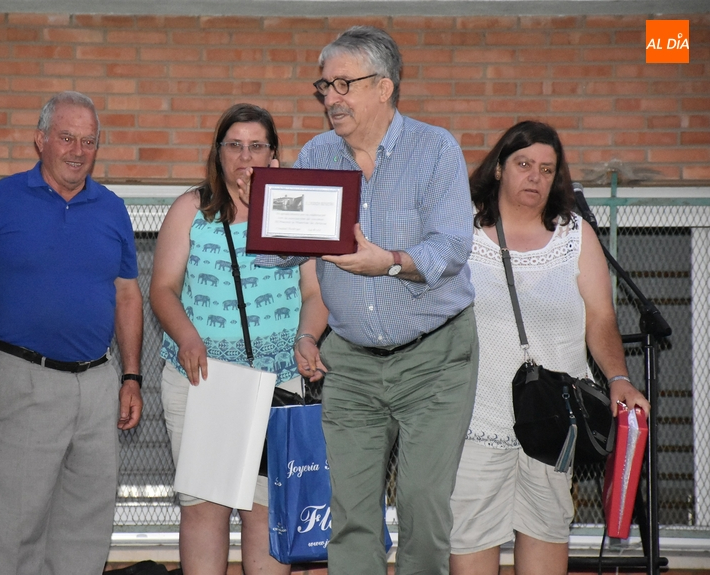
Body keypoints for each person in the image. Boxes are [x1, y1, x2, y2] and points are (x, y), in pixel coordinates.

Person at [250, 26, 478, 575]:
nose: (331, 98)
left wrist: (392, 261)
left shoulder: (435, 149)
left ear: (384, 86)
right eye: (324, 86)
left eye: (343, 84)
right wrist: (266, 214)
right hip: (349, 364)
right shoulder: (317, 154)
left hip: (435, 360)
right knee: (350, 515)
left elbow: (452, 247)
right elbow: (288, 251)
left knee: (423, 504)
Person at [448, 121, 651, 575]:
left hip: (555, 427)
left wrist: (618, 377)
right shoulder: (461, 230)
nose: (534, 177)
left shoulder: (575, 235)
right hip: (476, 423)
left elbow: (601, 318)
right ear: (499, 168)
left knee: (545, 544)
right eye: (523, 164)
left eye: (546, 169)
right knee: (470, 550)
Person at [150, 103, 328, 575]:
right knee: (205, 509)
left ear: (273, 154)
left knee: (267, 510)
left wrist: (307, 338)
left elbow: (316, 292)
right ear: (219, 152)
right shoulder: (192, 208)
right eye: (235, 145)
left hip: (279, 384)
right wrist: (187, 337)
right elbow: (163, 288)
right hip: (204, 379)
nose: (245, 156)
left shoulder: (294, 209)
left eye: (256, 146)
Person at [0, 91, 144, 574]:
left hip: (97, 385)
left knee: (86, 531)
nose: (77, 151)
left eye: (88, 141)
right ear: (41, 139)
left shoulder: (111, 208)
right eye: (67, 138)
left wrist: (131, 377)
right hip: (23, 378)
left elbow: (128, 295)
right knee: (17, 529)